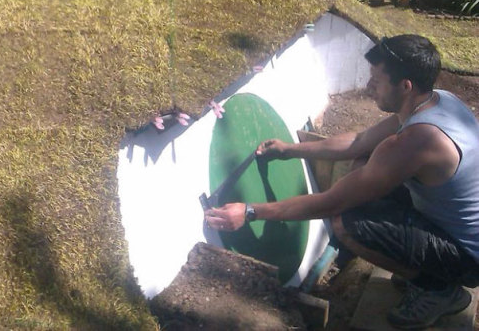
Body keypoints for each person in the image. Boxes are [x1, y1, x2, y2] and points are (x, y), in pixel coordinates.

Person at [204, 34, 479, 330]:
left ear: (405, 86)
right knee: (366, 169)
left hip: (467, 257)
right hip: (458, 229)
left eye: (376, 79)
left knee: (347, 222)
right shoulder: (436, 102)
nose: (368, 86)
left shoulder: (417, 139)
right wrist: (290, 150)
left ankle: (437, 290)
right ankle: (425, 272)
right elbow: (360, 142)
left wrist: (249, 211)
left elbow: (331, 202)